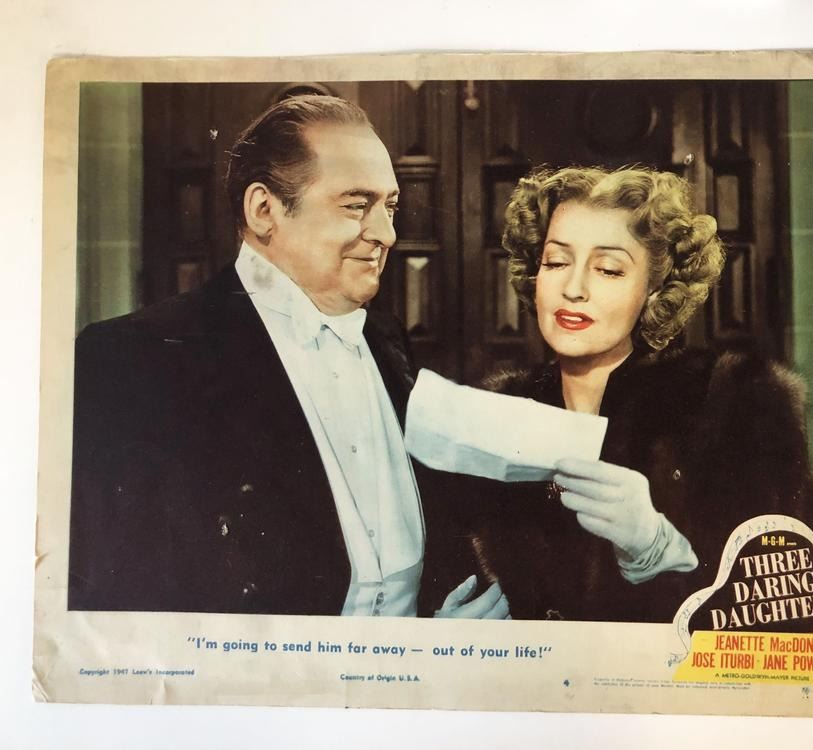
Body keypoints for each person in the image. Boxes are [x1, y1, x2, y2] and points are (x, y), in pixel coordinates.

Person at [68, 95, 507, 620]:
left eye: (389, 207)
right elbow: (121, 610)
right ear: (264, 210)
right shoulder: (130, 361)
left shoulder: (386, 339)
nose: (387, 234)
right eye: (355, 205)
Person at [422, 165, 813, 623]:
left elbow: (807, 611)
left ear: (655, 288)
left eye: (608, 269)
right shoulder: (496, 414)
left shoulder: (734, 408)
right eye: (556, 262)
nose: (574, 289)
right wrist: (445, 635)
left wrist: (660, 550)